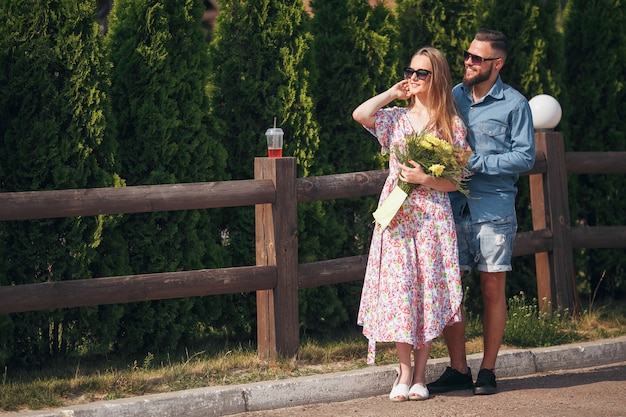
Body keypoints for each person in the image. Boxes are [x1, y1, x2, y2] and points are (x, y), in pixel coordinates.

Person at [352, 46, 469, 402]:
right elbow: (360, 115)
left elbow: (458, 179)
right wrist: (392, 92)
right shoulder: (395, 119)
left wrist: (425, 178)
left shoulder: (451, 124)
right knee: (402, 292)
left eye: (422, 73)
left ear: (438, 78)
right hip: (397, 214)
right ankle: (403, 372)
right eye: (410, 71)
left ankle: (420, 375)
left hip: (432, 216)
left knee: (427, 292)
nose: (414, 78)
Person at [426, 29, 535, 396]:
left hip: (493, 209)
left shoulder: (515, 104)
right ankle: (458, 368)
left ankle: (487, 370)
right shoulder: (454, 96)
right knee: (450, 291)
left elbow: (524, 157)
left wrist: (477, 161)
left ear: (497, 64)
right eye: (467, 55)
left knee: (491, 288)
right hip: (451, 207)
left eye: (477, 58)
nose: (468, 62)